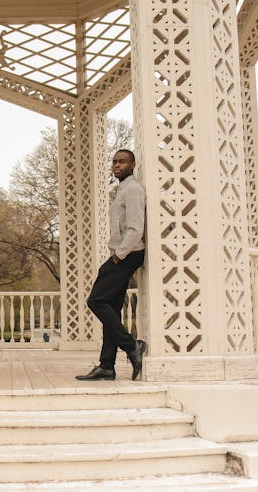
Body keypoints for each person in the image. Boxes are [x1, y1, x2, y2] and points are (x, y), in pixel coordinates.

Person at [76, 149, 147, 381]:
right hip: (123, 253)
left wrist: (118, 256)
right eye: (114, 162)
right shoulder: (121, 189)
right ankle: (107, 365)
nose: (117, 165)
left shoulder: (134, 190)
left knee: (95, 300)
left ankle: (131, 345)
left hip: (127, 254)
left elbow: (136, 228)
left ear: (132, 165)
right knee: (112, 309)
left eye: (122, 162)